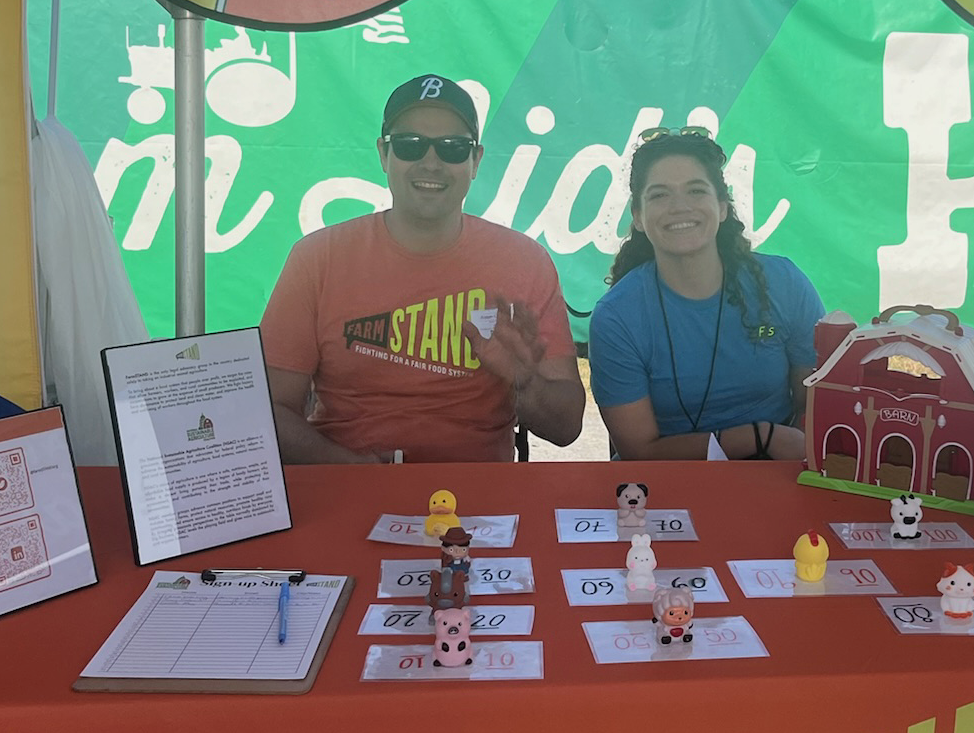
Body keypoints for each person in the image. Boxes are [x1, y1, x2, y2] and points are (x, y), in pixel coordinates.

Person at [262, 74, 585, 464]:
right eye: (410, 145)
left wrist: (522, 383)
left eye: (452, 148)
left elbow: (566, 429)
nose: (431, 162)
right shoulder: (317, 258)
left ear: (475, 160)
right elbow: (268, 412)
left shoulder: (524, 262)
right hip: (346, 487)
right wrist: (352, 470)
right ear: (384, 154)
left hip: (480, 502)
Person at [588, 127, 824, 461]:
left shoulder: (784, 283)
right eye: (659, 195)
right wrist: (760, 438)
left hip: (779, 474)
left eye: (696, 191)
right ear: (638, 217)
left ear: (723, 206)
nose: (679, 207)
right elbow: (638, 452)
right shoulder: (616, 316)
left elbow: (816, 407)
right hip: (665, 487)